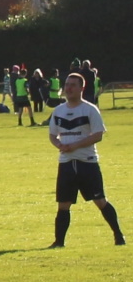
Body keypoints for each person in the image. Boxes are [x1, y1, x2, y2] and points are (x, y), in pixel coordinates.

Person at [48, 73, 125, 248]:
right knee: (63, 204)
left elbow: (98, 135)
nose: (68, 88)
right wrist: (59, 144)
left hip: (87, 162)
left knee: (100, 201)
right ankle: (59, 242)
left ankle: (118, 235)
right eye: (67, 84)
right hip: (66, 163)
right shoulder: (58, 110)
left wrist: (75, 145)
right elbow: (52, 135)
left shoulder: (90, 109)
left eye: (73, 85)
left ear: (81, 88)